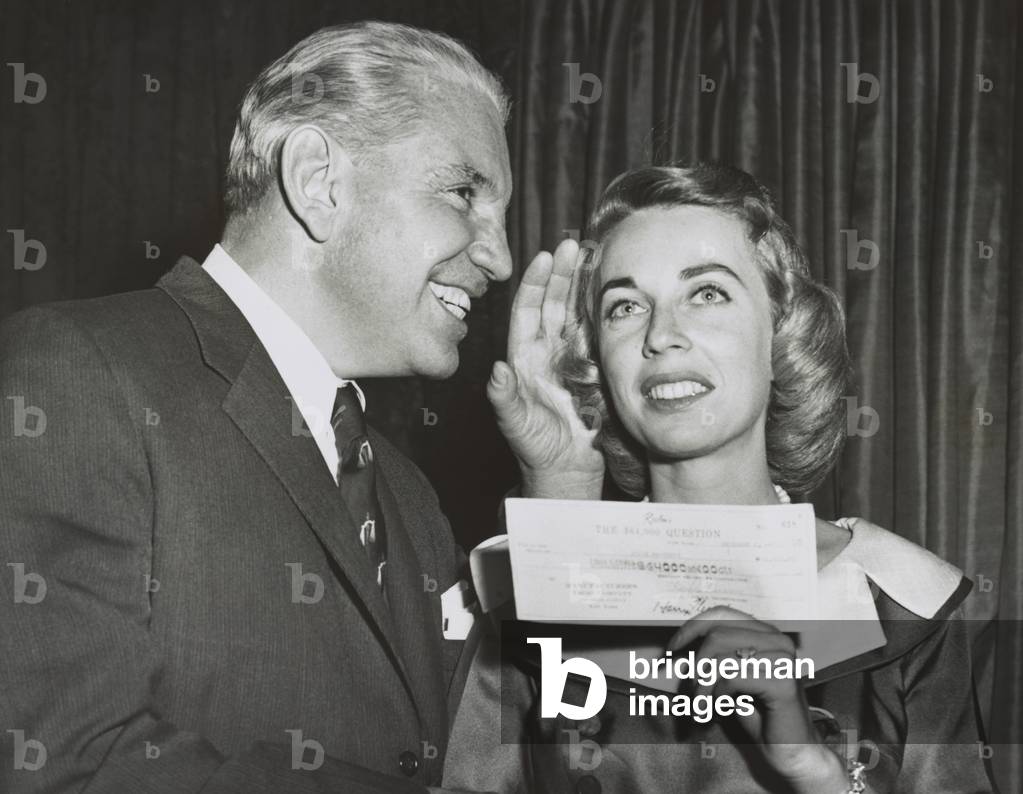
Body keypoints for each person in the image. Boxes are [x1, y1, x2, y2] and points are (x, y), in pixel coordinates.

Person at [0, 21, 516, 793]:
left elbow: (482, 760)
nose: (499, 256)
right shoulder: (77, 373)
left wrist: (561, 485)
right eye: (464, 194)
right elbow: (63, 763)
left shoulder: (406, 493)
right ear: (317, 181)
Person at [447, 163, 996, 793]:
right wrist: (560, 496)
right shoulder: (520, 591)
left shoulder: (899, 604)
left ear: (781, 332)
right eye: (625, 307)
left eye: (707, 293)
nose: (661, 336)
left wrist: (814, 772)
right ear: (597, 358)